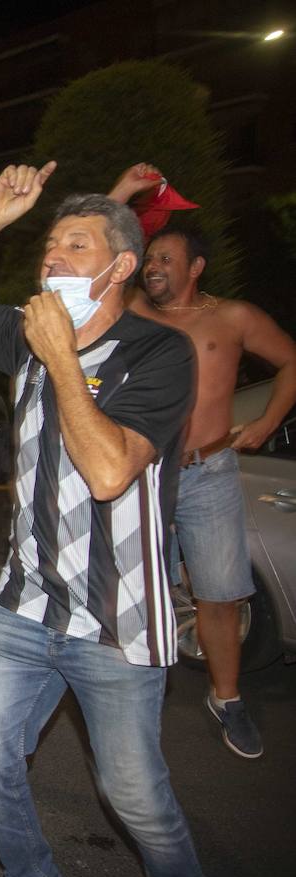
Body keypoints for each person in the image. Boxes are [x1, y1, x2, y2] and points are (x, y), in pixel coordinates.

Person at [0, 162, 213, 877]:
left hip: (118, 619)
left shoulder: (158, 355)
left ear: (121, 267)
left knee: (134, 798)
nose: (52, 260)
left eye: (74, 246)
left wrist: (63, 358)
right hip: (27, 606)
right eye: (48, 246)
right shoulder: (27, 331)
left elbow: (110, 472)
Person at [114, 200, 295, 759]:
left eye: (166, 258)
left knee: (218, 593)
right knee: (131, 587)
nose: (153, 266)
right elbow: (96, 266)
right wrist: (122, 197)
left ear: (196, 267)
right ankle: (122, 695)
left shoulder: (233, 318)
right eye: (150, 259)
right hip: (144, 469)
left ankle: (228, 697)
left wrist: (265, 422)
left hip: (209, 472)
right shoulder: (137, 314)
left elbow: (292, 361)